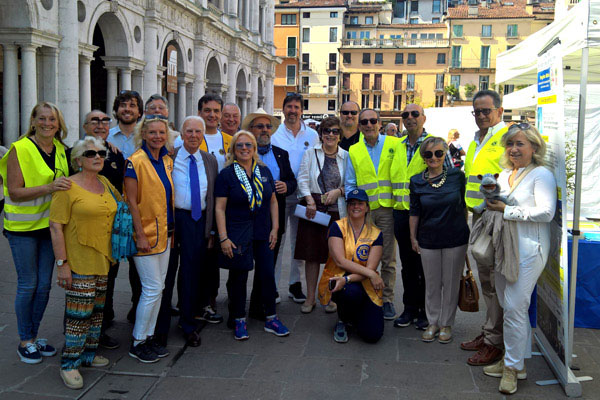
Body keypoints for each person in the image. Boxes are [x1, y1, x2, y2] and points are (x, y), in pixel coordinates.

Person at [482, 123, 556, 394]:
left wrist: (507, 210)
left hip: (529, 250)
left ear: (534, 147)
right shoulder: (505, 173)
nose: (513, 149)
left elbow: (546, 213)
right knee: (510, 306)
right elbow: (498, 202)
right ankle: (517, 362)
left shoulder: (541, 174)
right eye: (510, 144)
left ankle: (512, 368)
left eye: (520, 144)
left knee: (514, 307)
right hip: (504, 249)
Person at [0, 102, 70, 364]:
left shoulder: (62, 149)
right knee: (28, 285)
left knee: (43, 286)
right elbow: (15, 192)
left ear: (58, 123)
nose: (47, 123)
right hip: (22, 229)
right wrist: (50, 187)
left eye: (52, 119)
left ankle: (34, 335)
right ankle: (25, 340)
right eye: (42, 118)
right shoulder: (21, 149)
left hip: (50, 228)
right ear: (33, 121)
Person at [49, 137, 118, 389]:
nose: (97, 156)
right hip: (78, 260)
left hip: (103, 258)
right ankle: (69, 364)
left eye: (100, 152)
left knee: (97, 312)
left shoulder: (104, 182)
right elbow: (56, 226)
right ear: (78, 160)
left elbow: (119, 208)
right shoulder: (67, 187)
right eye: (90, 153)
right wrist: (62, 263)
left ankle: (87, 355)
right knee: (79, 314)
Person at [215, 131, 290, 340]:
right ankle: (239, 319)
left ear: (255, 148)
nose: (245, 149)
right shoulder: (226, 174)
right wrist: (223, 237)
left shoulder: (264, 171)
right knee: (239, 277)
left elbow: (273, 201)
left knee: (267, 274)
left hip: (264, 231)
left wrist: (275, 228)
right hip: (238, 232)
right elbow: (219, 208)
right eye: (240, 146)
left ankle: (270, 317)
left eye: (249, 145)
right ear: (233, 150)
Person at [390, 104, 454, 329]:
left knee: (427, 266)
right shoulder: (397, 145)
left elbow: (449, 177)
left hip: (427, 216)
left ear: (423, 118)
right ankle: (409, 308)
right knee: (407, 265)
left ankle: (428, 312)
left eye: (414, 114)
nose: (409, 118)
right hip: (402, 214)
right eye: (405, 114)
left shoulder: (435, 145)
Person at [407, 137, 470, 344]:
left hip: (455, 238)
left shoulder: (456, 177)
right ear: (423, 157)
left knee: (451, 283)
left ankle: (446, 324)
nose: (433, 158)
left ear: (445, 154)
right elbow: (414, 212)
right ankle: (432, 322)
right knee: (431, 283)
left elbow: (464, 206)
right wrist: (413, 237)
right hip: (428, 238)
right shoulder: (416, 181)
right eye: (428, 154)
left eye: (438, 153)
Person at [461, 90, 507, 366]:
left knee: (493, 280)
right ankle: (489, 331)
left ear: (499, 111)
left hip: (495, 218)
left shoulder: (505, 139)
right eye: (476, 112)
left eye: (486, 111)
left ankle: (494, 341)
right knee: (486, 278)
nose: (481, 116)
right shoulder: (476, 140)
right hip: (477, 217)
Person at [124, 115, 174, 363]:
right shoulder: (135, 162)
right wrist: (139, 234)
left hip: (164, 234)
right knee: (152, 289)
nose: (157, 136)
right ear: (143, 135)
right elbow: (131, 201)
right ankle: (138, 341)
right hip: (146, 234)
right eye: (152, 133)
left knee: (159, 288)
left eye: (161, 133)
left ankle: (149, 335)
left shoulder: (165, 160)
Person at [165, 116, 218, 347]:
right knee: (167, 274)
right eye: (189, 131)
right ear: (181, 134)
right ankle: (160, 324)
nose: (194, 136)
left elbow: (213, 197)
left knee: (191, 275)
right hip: (175, 220)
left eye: (198, 132)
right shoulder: (169, 158)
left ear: (203, 134)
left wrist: (211, 231)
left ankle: (188, 323)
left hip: (199, 222)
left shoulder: (209, 160)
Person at [242, 108, 297, 318]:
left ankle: (259, 305)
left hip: (274, 218)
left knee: (268, 264)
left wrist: (286, 185)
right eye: (260, 126)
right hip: (246, 219)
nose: (265, 130)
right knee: (241, 266)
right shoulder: (243, 151)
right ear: (251, 130)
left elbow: (292, 181)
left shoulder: (281, 154)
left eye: (267, 126)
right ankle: (236, 308)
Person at [345, 108, 398, 320]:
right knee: (362, 256)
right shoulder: (355, 150)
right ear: (359, 126)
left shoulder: (395, 144)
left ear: (380, 122)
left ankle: (387, 299)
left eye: (372, 120)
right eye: (364, 121)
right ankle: (367, 295)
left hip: (387, 209)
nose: (369, 125)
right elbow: (350, 182)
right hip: (365, 212)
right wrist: (356, 209)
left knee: (388, 257)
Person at [318, 188, 384, 343]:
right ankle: (343, 320)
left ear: (367, 207)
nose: (356, 207)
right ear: (347, 207)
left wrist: (370, 274)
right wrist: (371, 274)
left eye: (360, 203)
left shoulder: (376, 233)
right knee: (350, 293)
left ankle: (357, 315)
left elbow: (371, 269)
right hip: (338, 278)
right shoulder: (337, 227)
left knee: (373, 335)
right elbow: (340, 261)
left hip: (362, 281)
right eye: (352, 203)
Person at [82, 110, 124, 350]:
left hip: (111, 232)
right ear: (86, 126)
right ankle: (81, 331)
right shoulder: (74, 154)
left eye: (105, 121)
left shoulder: (116, 154)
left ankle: (101, 328)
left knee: (108, 282)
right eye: (95, 121)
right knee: (85, 284)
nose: (100, 125)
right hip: (86, 231)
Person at [296, 116, 347, 313]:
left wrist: (338, 192)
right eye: (327, 131)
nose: (331, 135)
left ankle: (328, 295)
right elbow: (302, 178)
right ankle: (310, 298)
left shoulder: (346, 156)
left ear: (340, 136)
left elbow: (351, 183)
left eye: (335, 131)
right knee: (311, 256)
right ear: (321, 134)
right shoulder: (310, 153)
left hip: (337, 211)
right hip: (314, 210)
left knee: (333, 257)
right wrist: (309, 200)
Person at [271, 93, 318, 303]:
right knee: (277, 242)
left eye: (296, 107)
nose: (293, 110)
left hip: (302, 196)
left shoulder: (312, 135)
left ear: (302, 110)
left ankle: (295, 284)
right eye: (289, 106)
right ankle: (271, 286)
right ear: (283, 109)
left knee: (299, 242)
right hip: (279, 196)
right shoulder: (274, 134)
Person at [107, 90, 144, 323]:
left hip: (140, 207)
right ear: (117, 110)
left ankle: (136, 309)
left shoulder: (147, 137)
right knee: (109, 264)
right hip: (111, 208)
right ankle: (105, 313)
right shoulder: (106, 137)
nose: (127, 109)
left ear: (140, 112)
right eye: (123, 105)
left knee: (138, 264)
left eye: (132, 105)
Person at [195, 93, 231, 322]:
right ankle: (193, 301)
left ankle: (210, 300)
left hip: (221, 207)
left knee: (213, 257)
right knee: (196, 256)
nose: (212, 115)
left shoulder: (229, 139)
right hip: (197, 208)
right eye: (207, 110)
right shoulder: (189, 137)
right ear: (200, 112)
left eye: (216, 111)